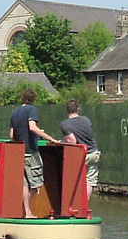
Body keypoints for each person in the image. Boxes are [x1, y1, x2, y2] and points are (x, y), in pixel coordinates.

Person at [10, 88, 59, 218]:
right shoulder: (31, 110)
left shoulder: (15, 112)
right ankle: (26, 211)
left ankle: (26, 212)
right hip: (31, 152)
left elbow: (11, 134)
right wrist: (50, 138)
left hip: (19, 152)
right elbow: (32, 127)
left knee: (25, 184)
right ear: (33, 100)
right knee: (37, 183)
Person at [60, 98, 100, 200]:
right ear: (78, 109)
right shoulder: (86, 120)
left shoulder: (65, 124)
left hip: (81, 155)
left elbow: (73, 142)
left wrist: (61, 142)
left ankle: (73, 204)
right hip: (94, 153)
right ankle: (84, 206)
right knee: (90, 181)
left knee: (75, 179)